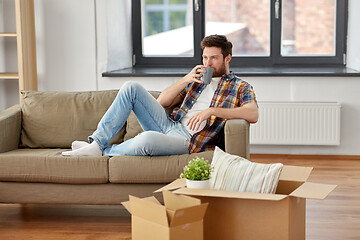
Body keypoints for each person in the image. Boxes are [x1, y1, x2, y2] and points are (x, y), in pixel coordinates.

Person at [62, 34, 258, 157]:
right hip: (170, 125)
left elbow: (252, 114)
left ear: (227, 58)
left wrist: (212, 111)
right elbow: (162, 102)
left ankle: (101, 151)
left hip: (187, 140)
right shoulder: (196, 79)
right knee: (131, 86)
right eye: (205, 57)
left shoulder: (240, 86)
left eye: (214, 58)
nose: (207, 63)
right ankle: (97, 142)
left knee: (146, 140)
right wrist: (186, 79)